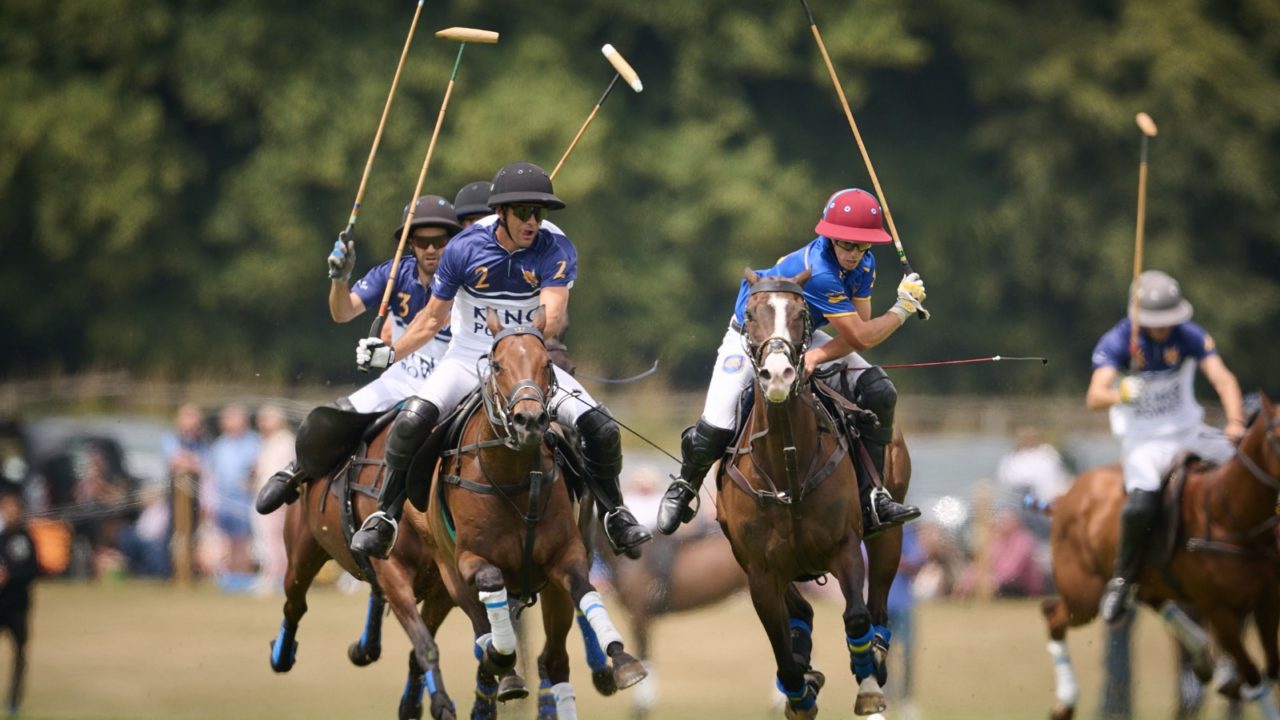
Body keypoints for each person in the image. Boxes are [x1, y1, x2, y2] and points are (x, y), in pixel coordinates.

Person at [347, 161, 652, 559]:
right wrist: (391, 353)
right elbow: (432, 319)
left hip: (527, 361)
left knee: (601, 427)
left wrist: (519, 341)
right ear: (501, 213)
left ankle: (615, 513)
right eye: (523, 212)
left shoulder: (556, 246)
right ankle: (385, 516)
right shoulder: (463, 248)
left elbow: (553, 316)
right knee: (411, 421)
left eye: (539, 212)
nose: (533, 221)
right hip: (467, 358)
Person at [656, 187, 925, 537]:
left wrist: (816, 354)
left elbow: (859, 327)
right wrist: (902, 309)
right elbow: (862, 335)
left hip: (801, 334)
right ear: (830, 238)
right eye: (846, 244)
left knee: (879, 390)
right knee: (717, 424)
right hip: (753, 335)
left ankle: (872, 497)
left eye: (862, 246)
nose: (853, 254)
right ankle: (684, 486)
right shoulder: (820, 272)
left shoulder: (864, 263)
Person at [254, 194, 463, 513]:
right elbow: (343, 312)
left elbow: (431, 327)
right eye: (423, 241)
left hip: (449, 383)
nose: (432, 249)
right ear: (410, 244)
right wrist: (340, 280)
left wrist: (388, 352)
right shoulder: (394, 274)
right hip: (402, 379)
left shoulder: (464, 283)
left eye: (440, 241)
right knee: (331, 418)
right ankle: (297, 470)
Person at [1086, 269, 1245, 623]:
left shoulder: (1189, 335)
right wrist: (1120, 392)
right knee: (1141, 505)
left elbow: (1223, 378)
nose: (1163, 329)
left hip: (1188, 430)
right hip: (1144, 440)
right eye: (1156, 323)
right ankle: (1122, 579)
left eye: (1167, 321)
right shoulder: (1119, 340)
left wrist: (1235, 422)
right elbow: (1094, 396)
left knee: (1251, 469)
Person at [205, 404, 259, 582]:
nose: (228, 422)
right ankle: (230, 579)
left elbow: (257, 470)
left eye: (232, 418)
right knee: (225, 543)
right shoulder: (220, 445)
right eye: (226, 419)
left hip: (244, 502)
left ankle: (242, 578)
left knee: (242, 543)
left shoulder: (254, 442)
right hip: (223, 502)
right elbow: (212, 475)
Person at [0, 488, 38, 716]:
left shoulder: (26, 538)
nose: (12, 511)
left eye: (15, 507)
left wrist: (10, 575)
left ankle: (13, 701)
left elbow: (33, 570)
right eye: (7, 507)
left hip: (18, 607)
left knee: (20, 655)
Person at [251, 404, 293, 593]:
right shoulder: (266, 442)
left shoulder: (284, 441)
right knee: (267, 539)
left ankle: (275, 576)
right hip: (264, 495)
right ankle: (273, 575)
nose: (262, 423)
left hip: (275, 497)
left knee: (274, 540)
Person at [995, 426, 1072, 506]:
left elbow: (1060, 479)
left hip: (1046, 504)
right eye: (1025, 437)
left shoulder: (1048, 456)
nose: (1028, 440)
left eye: (1031, 437)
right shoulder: (1011, 460)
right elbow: (1006, 484)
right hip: (1019, 503)